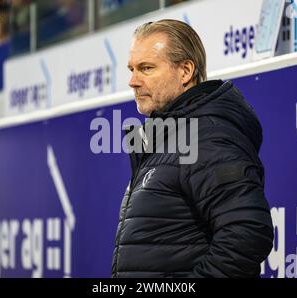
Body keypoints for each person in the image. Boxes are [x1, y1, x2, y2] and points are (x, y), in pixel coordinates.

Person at [111, 19, 274, 278]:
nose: (132, 81)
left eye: (146, 68)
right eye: (131, 69)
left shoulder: (206, 136)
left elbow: (248, 231)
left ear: (185, 71)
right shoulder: (166, 138)